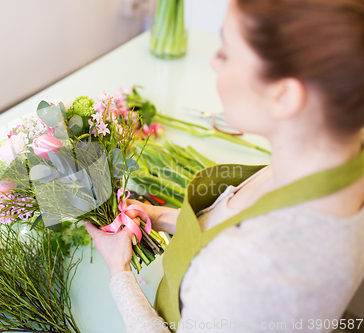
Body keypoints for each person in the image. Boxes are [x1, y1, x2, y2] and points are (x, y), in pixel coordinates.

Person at [85, 0, 364, 332]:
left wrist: (119, 270)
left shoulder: (244, 276)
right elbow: (232, 220)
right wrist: (161, 217)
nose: (213, 61)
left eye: (227, 52)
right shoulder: (332, 156)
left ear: (285, 96)